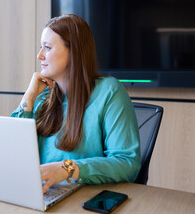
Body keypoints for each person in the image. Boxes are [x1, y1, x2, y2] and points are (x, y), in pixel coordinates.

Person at [11, 14, 140, 193]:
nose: (39, 56)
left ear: (74, 52)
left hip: (84, 198)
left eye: (47, 48)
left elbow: (127, 163)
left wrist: (68, 169)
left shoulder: (109, 92)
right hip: (41, 195)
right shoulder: (41, 96)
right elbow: (11, 153)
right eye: (41, 47)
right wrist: (28, 97)